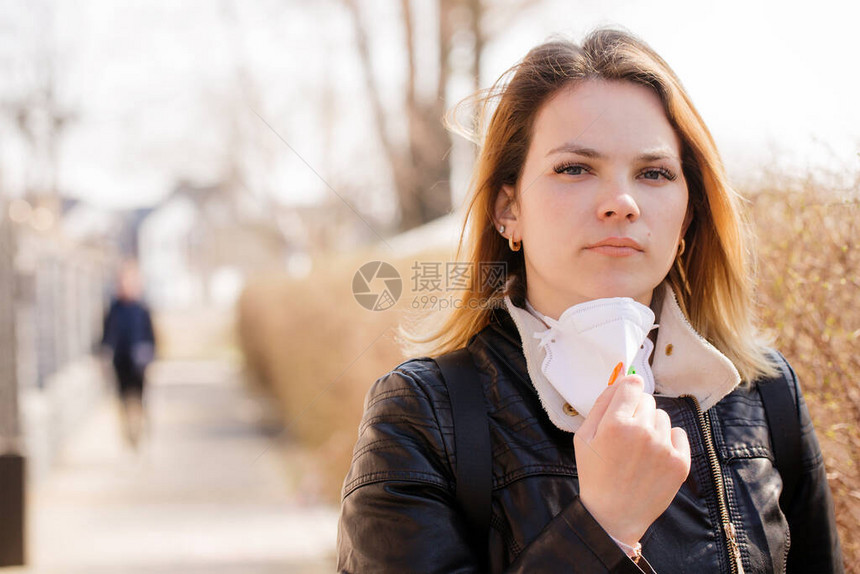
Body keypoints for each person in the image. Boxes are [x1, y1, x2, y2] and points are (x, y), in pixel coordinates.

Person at [336, 27, 843, 573]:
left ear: (687, 216)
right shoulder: (423, 415)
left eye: (654, 173)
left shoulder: (764, 396)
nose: (621, 202)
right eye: (574, 168)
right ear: (509, 209)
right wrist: (604, 529)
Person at [101, 260, 156, 451]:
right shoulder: (114, 308)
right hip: (120, 362)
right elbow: (106, 334)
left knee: (138, 399)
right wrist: (105, 352)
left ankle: (138, 431)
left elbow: (151, 335)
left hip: (139, 363)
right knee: (123, 400)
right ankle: (129, 434)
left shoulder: (141, 309)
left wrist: (149, 355)